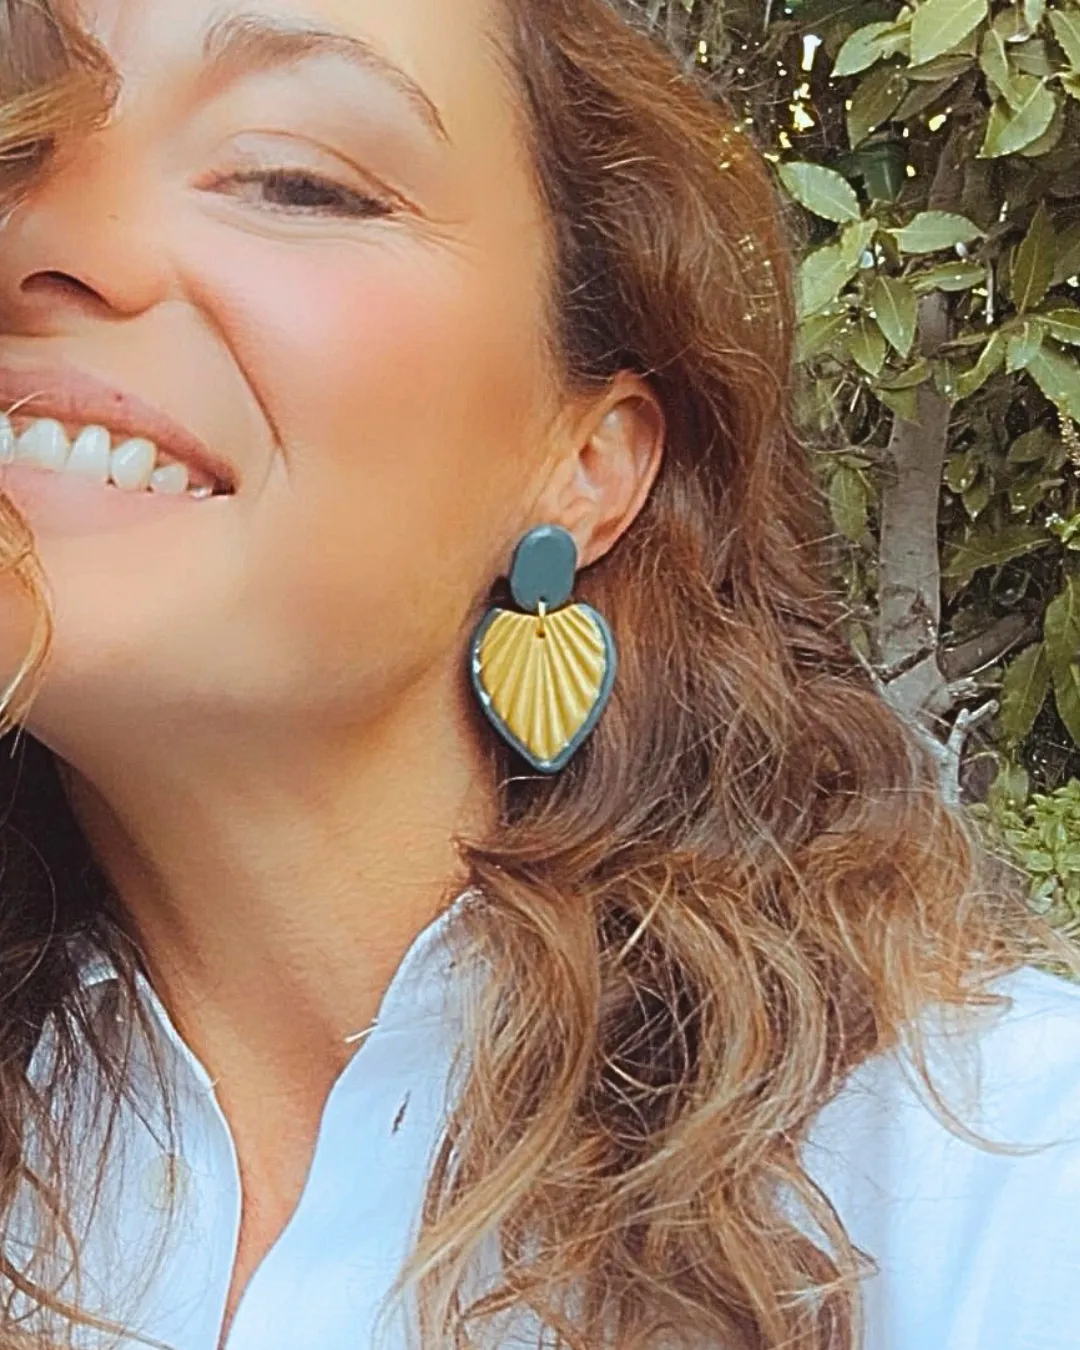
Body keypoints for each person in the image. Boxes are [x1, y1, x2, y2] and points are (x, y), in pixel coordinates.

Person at [0, 0, 1077, 1347]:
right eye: (13, 154)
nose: (45, 240)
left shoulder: (998, 1184)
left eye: (292, 179)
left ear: (585, 463)